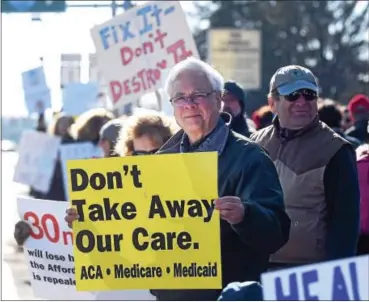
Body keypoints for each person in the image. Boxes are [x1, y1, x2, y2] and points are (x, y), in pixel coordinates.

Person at [66, 57, 289, 300]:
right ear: (173, 105)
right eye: (181, 97)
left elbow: (276, 235)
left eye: (198, 95)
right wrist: (91, 223)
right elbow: (134, 240)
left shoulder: (249, 158)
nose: (189, 104)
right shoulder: (159, 161)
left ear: (218, 99)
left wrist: (245, 215)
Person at [251, 65, 360, 270]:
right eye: (292, 95)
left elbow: (345, 224)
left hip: (309, 273)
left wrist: (335, 276)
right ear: (272, 103)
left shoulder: (336, 149)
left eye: (309, 94)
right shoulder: (254, 143)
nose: (302, 102)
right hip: (259, 267)